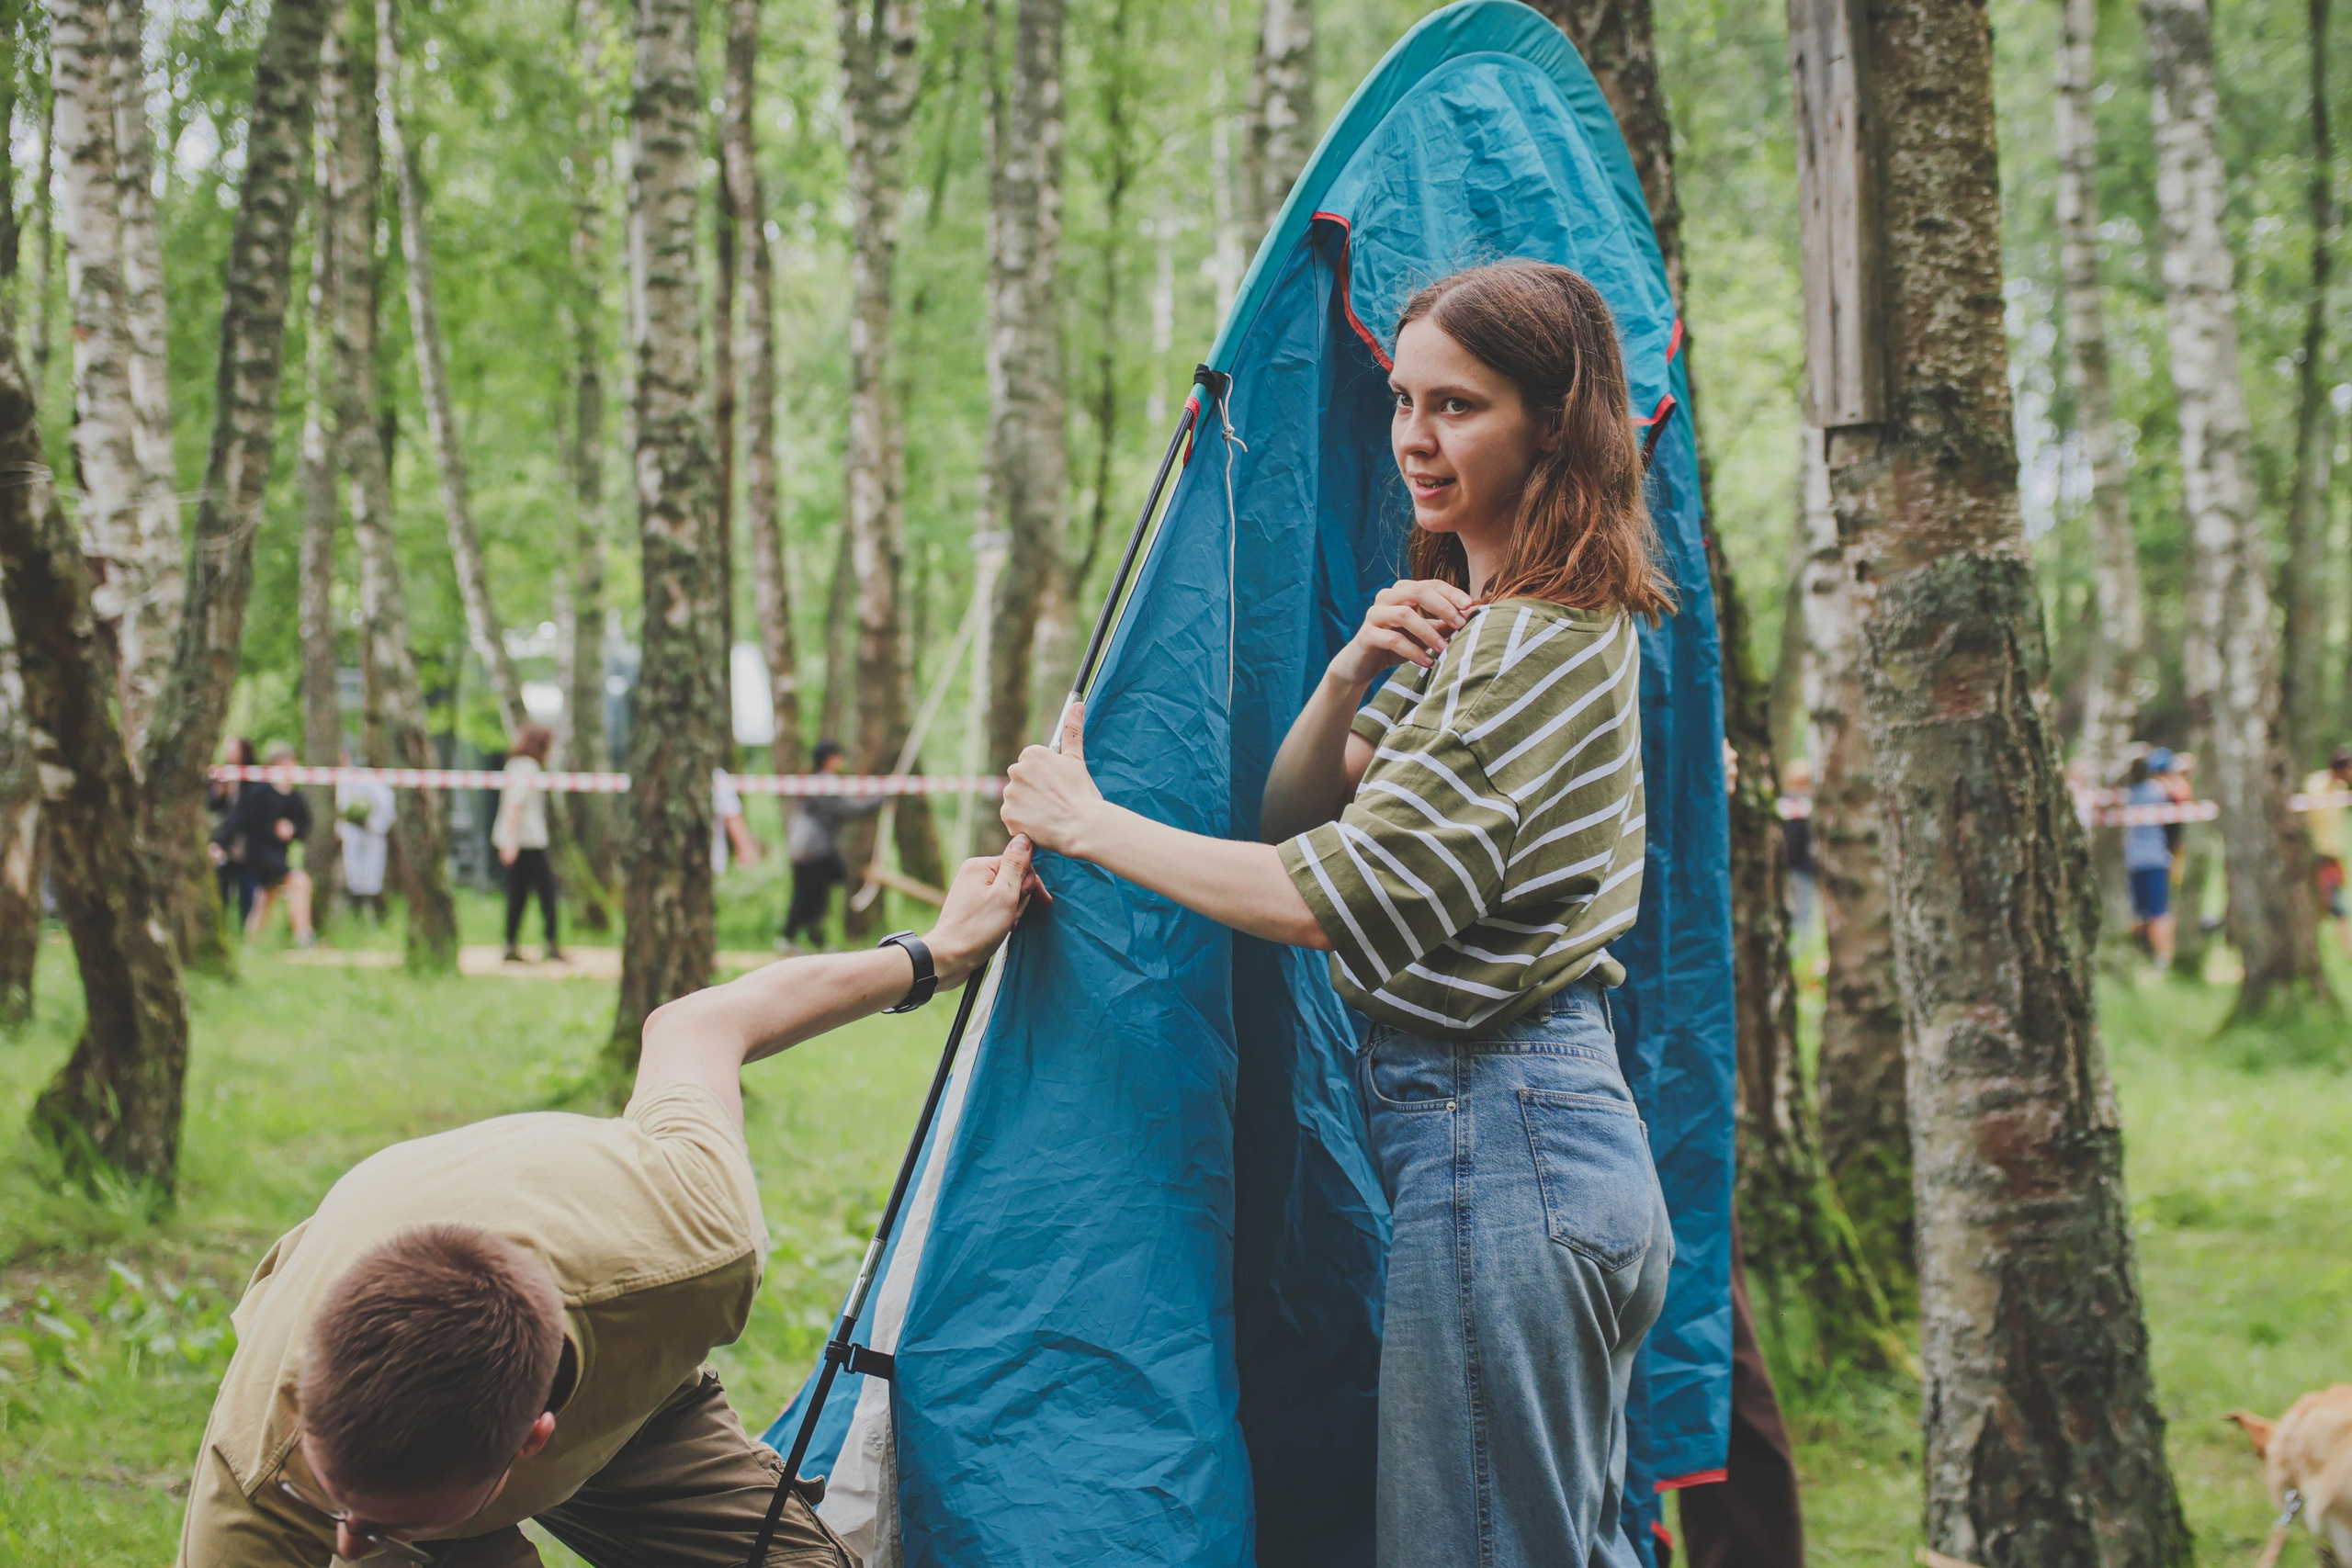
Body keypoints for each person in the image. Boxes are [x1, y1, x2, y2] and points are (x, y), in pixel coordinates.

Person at [1004, 262, 1676, 1565]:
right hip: (1522, 1137)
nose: (1416, 439)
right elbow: (1300, 814)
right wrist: (1348, 669)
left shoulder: (1530, 642)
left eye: (1460, 406)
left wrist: (1086, 820)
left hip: (1508, 1131)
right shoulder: (1489, 629)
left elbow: (1328, 898)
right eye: (1403, 400)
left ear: (1552, 419)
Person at [175, 836, 1045, 1568]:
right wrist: (370, 1513)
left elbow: (695, 1026)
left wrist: (933, 954)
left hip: (614, 1385)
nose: (351, 1544)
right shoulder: (269, 1482)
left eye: (381, 1526)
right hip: (398, 1426)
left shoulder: (692, 1235)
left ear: (533, 1441)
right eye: (347, 1505)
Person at [780, 741, 882, 952]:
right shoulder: (823, 782)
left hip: (814, 848)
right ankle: (788, 938)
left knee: (819, 893)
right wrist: (880, 800)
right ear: (829, 759)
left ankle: (817, 940)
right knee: (806, 894)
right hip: (811, 849)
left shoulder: (819, 781)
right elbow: (846, 808)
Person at [213, 742, 315, 946]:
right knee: (300, 882)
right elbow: (238, 819)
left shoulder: (295, 797)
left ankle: (250, 945)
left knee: (266, 897)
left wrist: (292, 828)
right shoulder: (259, 792)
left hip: (278, 853)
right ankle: (303, 936)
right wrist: (220, 843)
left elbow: (304, 825)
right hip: (260, 852)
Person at [494, 725, 563, 964]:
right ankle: (550, 944)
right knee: (547, 892)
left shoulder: (514, 765)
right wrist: (511, 842)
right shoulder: (529, 767)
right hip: (529, 841)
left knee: (517, 895)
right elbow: (515, 805)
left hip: (515, 839)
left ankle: (510, 944)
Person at [2122, 750, 2176, 966]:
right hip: (2154, 858)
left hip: (2137, 859)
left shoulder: (2127, 795)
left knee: (2143, 912)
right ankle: (2162, 957)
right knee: (2159, 911)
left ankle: (2152, 957)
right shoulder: (2158, 792)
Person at [335, 747, 396, 924]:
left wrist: (371, 822)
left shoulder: (366, 778)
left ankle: (377, 916)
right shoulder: (339, 778)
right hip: (351, 836)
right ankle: (356, 917)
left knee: (372, 877)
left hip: (371, 835)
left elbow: (385, 802)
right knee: (353, 877)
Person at [2301, 746, 2352, 954]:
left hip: (2334, 854)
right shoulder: (2316, 785)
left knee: (2325, 907)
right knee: (2335, 906)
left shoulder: (2341, 789)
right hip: (2318, 855)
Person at [210, 736, 259, 927]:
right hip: (223, 850)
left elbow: (242, 816)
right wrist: (219, 794)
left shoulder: (254, 778)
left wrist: (221, 841)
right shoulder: (222, 775)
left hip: (246, 848)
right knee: (221, 894)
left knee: (248, 895)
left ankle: (247, 936)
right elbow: (214, 809)